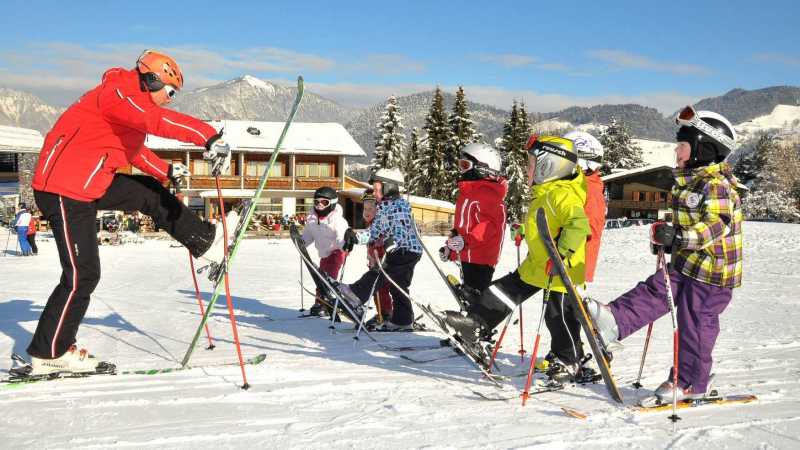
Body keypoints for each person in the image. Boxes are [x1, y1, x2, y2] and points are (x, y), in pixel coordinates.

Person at [27, 49, 235, 376]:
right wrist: (208, 138)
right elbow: (157, 122)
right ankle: (50, 352)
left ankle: (203, 241)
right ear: (152, 79)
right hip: (64, 188)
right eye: (169, 91)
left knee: (149, 193)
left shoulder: (129, 103)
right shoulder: (120, 94)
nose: (169, 99)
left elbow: (134, 151)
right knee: (82, 275)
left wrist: (167, 171)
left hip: (87, 181)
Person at [587, 107, 744, 402]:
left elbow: (716, 226)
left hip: (712, 274)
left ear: (704, 148)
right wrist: (667, 239)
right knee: (657, 289)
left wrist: (682, 237)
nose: (677, 151)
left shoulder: (716, 186)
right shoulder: (687, 182)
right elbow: (682, 224)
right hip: (687, 263)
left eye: (682, 146)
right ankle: (615, 320)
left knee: (695, 323)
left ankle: (691, 382)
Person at [444, 136, 595, 380]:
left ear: (550, 166)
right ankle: (476, 322)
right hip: (537, 265)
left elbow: (578, 226)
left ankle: (568, 358)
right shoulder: (545, 194)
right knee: (503, 290)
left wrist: (562, 254)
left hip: (560, 271)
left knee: (559, 317)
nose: (527, 169)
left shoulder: (563, 195)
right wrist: (524, 230)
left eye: (532, 164)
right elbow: (545, 225)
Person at [339, 168, 423, 331]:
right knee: (397, 285)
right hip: (398, 250)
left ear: (389, 187)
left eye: (377, 190)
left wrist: (393, 240)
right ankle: (403, 320)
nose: (375, 193)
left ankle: (356, 293)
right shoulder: (383, 206)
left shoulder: (400, 205)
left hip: (407, 250)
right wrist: (356, 237)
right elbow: (374, 232)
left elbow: (401, 228)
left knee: (381, 273)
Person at [439, 143, 508, 293]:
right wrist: (450, 249)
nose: (461, 170)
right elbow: (461, 229)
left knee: (477, 295)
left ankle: (479, 314)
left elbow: (487, 226)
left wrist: (465, 241)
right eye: (460, 165)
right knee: (470, 294)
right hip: (467, 256)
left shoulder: (488, 195)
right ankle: (471, 310)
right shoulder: (468, 194)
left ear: (482, 169)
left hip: (481, 260)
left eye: (465, 165)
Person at [300, 186, 350, 316]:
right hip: (324, 253)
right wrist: (301, 242)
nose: (320, 205)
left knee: (328, 277)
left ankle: (327, 304)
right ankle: (320, 302)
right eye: (317, 202)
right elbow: (308, 235)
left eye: (324, 202)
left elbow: (341, 237)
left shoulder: (338, 220)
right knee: (320, 277)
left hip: (337, 251)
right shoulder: (312, 219)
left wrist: (344, 245)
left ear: (332, 203)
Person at [361, 188, 393, 328]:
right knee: (376, 288)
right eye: (365, 208)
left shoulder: (381, 224)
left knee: (381, 287)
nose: (366, 211)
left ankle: (386, 313)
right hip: (374, 260)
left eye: (371, 208)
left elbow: (382, 241)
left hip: (382, 261)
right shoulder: (371, 224)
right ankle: (382, 312)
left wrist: (377, 256)